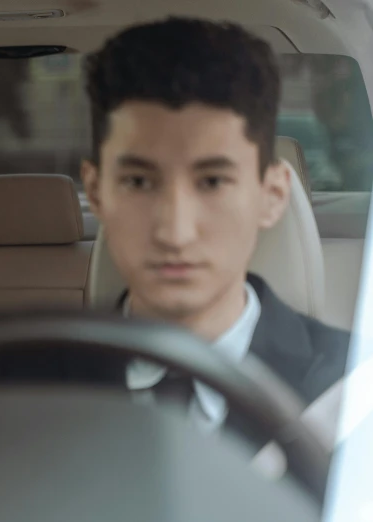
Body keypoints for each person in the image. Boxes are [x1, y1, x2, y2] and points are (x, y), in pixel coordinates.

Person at [80, 17, 349, 432]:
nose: (175, 233)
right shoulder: (15, 388)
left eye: (212, 182)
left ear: (272, 196)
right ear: (97, 193)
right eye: (138, 181)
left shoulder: (353, 390)